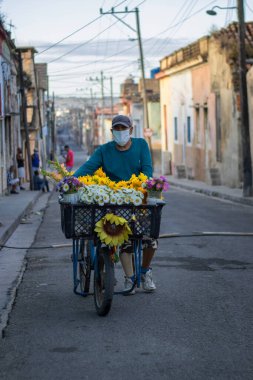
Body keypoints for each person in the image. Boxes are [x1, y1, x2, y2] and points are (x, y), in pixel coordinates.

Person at [74, 114, 157, 294]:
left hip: (138, 198)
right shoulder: (104, 150)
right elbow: (88, 168)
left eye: (123, 129)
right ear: (112, 132)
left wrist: (144, 185)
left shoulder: (141, 145)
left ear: (131, 130)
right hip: (115, 201)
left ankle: (144, 271)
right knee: (124, 238)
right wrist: (70, 180)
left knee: (150, 239)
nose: (120, 132)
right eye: (117, 129)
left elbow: (147, 170)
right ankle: (130, 278)